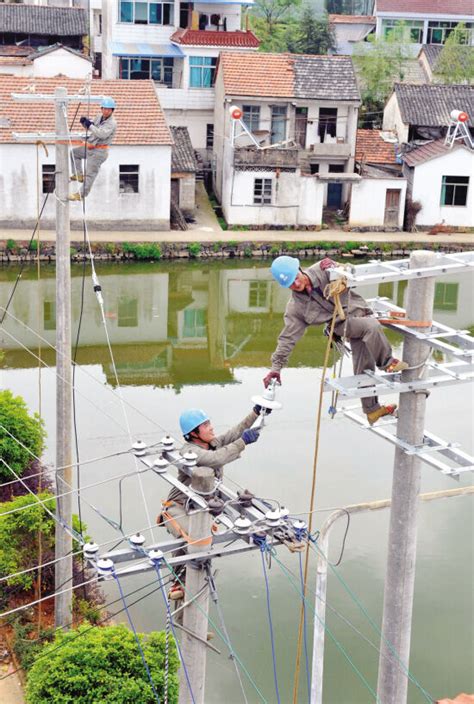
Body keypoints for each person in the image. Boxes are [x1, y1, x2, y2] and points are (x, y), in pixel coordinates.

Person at [264, 255, 408, 425]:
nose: (296, 284)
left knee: (364, 365)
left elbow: (349, 272)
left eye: (296, 278)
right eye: (290, 284)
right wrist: (276, 368)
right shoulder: (296, 308)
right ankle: (387, 362)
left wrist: (338, 267)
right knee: (372, 327)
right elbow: (287, 338)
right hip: (342, 325)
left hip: (359, 312)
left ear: (299, 269)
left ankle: (372, 410)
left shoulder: (323, 270)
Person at [161, 407, 262, 599]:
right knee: (195, 538)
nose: (211, 428)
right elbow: (217, 459)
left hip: (199, 508)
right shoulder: (190, 451)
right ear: (193, 433)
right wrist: (243, 442)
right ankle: (178, 581)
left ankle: (187, 583)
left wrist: (257, 412)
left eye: (209, 423)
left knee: (199, 544)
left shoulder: (211, 444)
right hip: (178, 508)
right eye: (205, 425)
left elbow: (236, 431)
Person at [68, 96, 117, 201]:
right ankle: (78, 175)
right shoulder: (99, 116)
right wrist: (85, 123)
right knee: (74, 153)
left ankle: (81, 195)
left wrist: (89, 125)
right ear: (101, 109)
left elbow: (101, 134)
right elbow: (93, 127)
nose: (105, 111)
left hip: (99, 152)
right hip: (90, 147)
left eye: (108, 109)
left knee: (90, 174)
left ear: (112, 110)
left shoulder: (112, 123)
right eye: (104, 108)